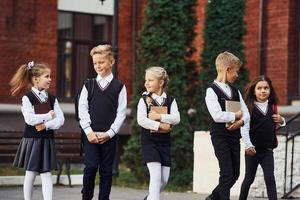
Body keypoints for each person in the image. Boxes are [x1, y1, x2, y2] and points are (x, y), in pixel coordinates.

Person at [10, 61, 65, 200]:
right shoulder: (27, 98)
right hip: (32, 140)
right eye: (47, 76)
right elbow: (29, 119)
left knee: (46, 174)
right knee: (31, 173)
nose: (50, 79)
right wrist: (48, 116)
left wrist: (45, 125)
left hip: (47, 140)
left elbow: (60, 120)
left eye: (50, 76)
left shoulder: (52, 99)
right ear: (36, 79)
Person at [78, 44, 127, 200]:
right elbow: (82, 110)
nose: (98, 66)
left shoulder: (119, 87)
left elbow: (121, 113)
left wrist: (110, 133)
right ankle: (86, 197)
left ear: (111, 61)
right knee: (91, 167)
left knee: (106, 171)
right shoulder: (89, 85)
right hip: (90, 135)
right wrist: (88, 131)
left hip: (109, 137)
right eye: (95, 63)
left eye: (101, 62)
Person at [205, 51, 250, 200]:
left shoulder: (235, 91)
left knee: (235, 174)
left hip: (234, 136)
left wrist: (240, 122)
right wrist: (235, 115)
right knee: (226, 173)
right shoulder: (211, 91)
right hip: (220, 136)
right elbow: (217, 115)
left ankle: (212, 198)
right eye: (236, 71)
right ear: (228, 69)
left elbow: (246, 114)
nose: (237, 75)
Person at [137, 66, 180, 200]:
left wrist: (160, 117)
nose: (146, 83)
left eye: (150, 80)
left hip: (164, 144)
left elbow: (176, 118)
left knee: (164, 180)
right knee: (155, 176)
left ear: (160, 83)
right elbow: (141, 120)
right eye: (146, 80)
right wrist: (160, 126)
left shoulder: (171, 100)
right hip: (149, 143)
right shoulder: (144, 100)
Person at [239, 75, 285, 200]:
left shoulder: (273, 106)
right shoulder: (249, 107)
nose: (263, 91)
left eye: (266, 88)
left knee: (270, 179)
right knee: (249, 179)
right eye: (259, 88)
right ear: (254, 90)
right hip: (252, 151)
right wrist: (248, 145)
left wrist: (282, 120)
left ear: (270, 90)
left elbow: (279, 122)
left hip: (267, 151)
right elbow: (244, 128)